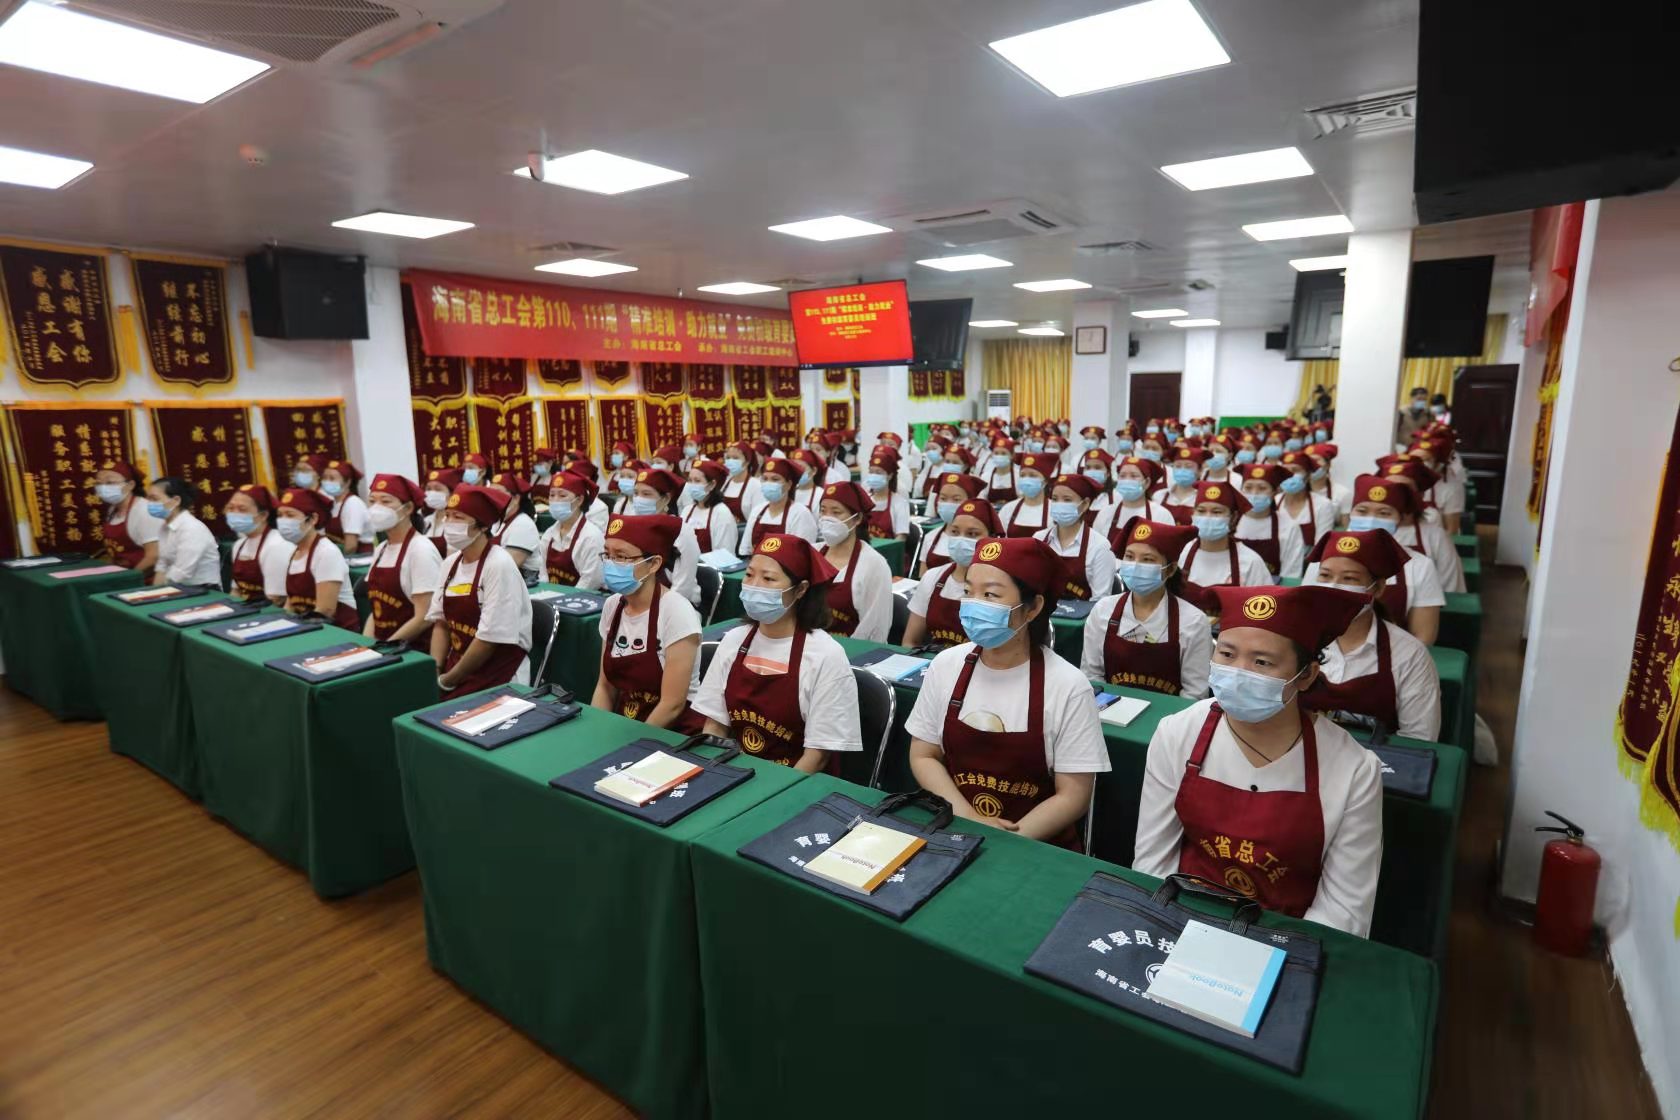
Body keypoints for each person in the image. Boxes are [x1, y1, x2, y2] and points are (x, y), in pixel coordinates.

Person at [1132, 584, 1384, 936]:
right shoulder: (1177, 733)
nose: (1238, 672)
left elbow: (1344, 912)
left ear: (1307, 675)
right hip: (1182, 920)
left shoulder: (1354, 769)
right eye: (1227, 654)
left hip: (1287, 940)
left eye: (1262, 662)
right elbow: (1152, 862)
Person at [906, 536, 1109, 845]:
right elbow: (923, 755)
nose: (974, 604)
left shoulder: (1068, 686)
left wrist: (1005, 841)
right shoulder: (946, 665)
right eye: (968, 592)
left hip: (1033, 844)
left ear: (1033, 608)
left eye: (990, 594)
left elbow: (1074, 794)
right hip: (954, 830)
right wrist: (967, 818)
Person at [693, 534, 863, 771]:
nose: (754, 585)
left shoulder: (825, 655)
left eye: (768, 579)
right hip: (736, 771)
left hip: (796, 778)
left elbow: (817, 756)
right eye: (749, 575)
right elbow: (714, 726)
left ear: (800, 589)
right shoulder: (734, 640)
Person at [1306, 530, 1443, 740]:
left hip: (1380, 757)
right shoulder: (1295, 640)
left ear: (1377, 588)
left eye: (1349, 578)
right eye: (1325, 576)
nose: (1333, 587)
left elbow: (1419, 739)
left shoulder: (1409, 655)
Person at [592, 513, 704, 731]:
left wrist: (636, 744)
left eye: (622, 557)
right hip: (625, 722)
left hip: (672, 731)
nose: (611, 564)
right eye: (607, 554)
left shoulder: (676, 612)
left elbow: (672, 705)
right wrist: (597, 729)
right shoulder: (613, 605)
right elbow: (605, 686)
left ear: (653, 564)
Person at [1081, 518, 1212, 699]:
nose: (1135, 565)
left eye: (1147, 560)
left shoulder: (1193, 622)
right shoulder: (1103, 611)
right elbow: (1092, 677)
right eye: (1129, 557)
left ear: (1170, 569)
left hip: (1171, 715)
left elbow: (1195, 693)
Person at [425, 485, 534, 699]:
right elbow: (441, 624)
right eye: (447, 516)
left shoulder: (499, 565)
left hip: (499, 675)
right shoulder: (450, 564)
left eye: (458, 517)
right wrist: (436, 670)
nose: (450, 523)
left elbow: (488, 640)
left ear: (483, 525)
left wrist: (448, 681)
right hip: (457, 669)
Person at [904, 497, 1004, 649]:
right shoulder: (932, 577)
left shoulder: (1000, 587)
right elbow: (910, 641)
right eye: (955, 532)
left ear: (992, 539)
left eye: (972, 534)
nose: (961, 540)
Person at [362, 474, 442, 646]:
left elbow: (424, 617)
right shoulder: (381, 549)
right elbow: (376, 610)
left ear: (408, 509)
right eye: (372, 501)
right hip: (383, 646)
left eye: (385, 501)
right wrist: (367, 645)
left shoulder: (421, 550)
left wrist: (386, 647)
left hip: (413, 650)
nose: (377, 508)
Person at [1363, 464, 1465, 593]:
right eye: (1389, 487)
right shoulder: (1363, 533)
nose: (1396, 493)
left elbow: (1451, 588)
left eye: (1405, 488)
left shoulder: (1436, 536)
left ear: (1420, 495)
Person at [815, 481, 894, 641]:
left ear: (857, 518)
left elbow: (875, 629)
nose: (827, 518)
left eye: (836, 512)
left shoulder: (874, 565)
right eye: (823, 511)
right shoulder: (812, 553)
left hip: (851, 650)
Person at [1177, 481, 1272, 609]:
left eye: (1217, 512)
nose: (1208, 517)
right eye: (1201, 511)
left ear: (1233, 517)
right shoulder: (1181, 552)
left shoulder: (1251, 562)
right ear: (1193, 514)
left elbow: (1264, 610)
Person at [275, 488, 359, 628]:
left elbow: (325, 610)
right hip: (305, 625)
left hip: (335, 630)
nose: (283, 521)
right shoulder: (295, 553)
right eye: (280, 515)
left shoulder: (326, 552)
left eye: (290, 515)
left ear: (313, 519)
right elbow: (290, 604)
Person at [627, 467, 704, 606]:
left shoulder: (681, 532)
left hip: (678, 606)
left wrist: (655, 611)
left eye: (646, 494)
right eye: (636, 493)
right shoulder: (634, 527)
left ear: (666, 499)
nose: (639, 499)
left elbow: (683, 588)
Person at [1035, 473, 1116, 602]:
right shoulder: (1039, 539)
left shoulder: (1100, 546)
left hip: (1084, 614)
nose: (1059, 504)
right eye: (1055, 499)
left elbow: (1100, 601)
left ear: (1084, 504)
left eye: (1067, 500)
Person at [146, 476, 221, 587]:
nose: (149, 503)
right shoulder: (165, 527)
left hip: (203, 589)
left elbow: (181, 572)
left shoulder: (192, 529)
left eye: (154, 499)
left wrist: (162, 592)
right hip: (177, 586)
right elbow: (162, 565)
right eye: (148, 499)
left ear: (176, 501)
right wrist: (155, 591)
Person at [535, 470, 605, 588]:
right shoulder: (549, 534)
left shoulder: (591, 537)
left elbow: (590, 582)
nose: (555, 500)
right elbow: (543, 576)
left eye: (562, 495)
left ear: (579, 500)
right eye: (552, 495)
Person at [1233, 463, 1303, 579]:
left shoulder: (1289, 527)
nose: (1254, 493)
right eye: (1248, 488)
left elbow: (1291, 575)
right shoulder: (1230, 522)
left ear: (1275, 491)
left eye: (1262, 488)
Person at [225, 484, 291, 604]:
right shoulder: (239, 545)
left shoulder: (277, 545)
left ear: (263, 515)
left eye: (242, 509)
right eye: (231, 508)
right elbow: (236, 591)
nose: (234, 513)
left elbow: (276, 599)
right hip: (246, 607)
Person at [912, 472, 985, 577]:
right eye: (943, 498)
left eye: (956, 499)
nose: (948, 503)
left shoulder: (976, 541)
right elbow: (922, 576)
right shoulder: (930, 537)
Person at [740, 457, 818, 554]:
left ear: (789, 484)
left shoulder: (800, 514)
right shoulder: (757, 511)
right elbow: (746, 550)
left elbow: (803, 555)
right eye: (765, 479)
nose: (768, 483)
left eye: (775, 479)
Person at [92, 461, 160, 573]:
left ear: (130, 485)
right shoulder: (112, 510)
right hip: (121, 573)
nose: (103, 487)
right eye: (99, 483)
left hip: (145, 578)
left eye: (110, 482)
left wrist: (130, 577)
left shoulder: (145, 511)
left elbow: (153, 556)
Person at [1092, 455, 1172, 537]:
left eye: (1134, 476)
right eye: (1122, 476)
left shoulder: (1161, 515)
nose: (1127, 480)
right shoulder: (1105, 513)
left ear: (1147, 482)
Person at [1277, 449, 1337, 554]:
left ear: (1308, 475)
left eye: (1295, 470)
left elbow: (1321, 546)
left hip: (1308, 561)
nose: (1289, 474)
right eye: (1284, 470)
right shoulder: (1274, 501)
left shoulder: (1323, 505)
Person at [485, 472, 542, 575]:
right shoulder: (494, 522)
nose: (493, 498)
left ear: (516, 498)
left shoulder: (523, 525)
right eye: (490, 493)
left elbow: (507, 567)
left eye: (498, 493)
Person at [681, 460, 738, 555]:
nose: (692, 485)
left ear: (712, 484)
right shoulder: (687, 510)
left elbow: (724, 555)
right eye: (690, 480)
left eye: (697, 481)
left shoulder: (721, 513)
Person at [997, 451, 1057, 538]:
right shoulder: (1008, 509)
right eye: (1022, 475)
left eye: (1032, 475)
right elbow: (1000, 540)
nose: (1026, 479)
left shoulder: (1054, 510)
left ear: (1045, 481)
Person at [320, 459, 372, 554]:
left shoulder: (352, 504)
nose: (327, 482)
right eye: (324, 478)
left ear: (348, 482)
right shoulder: (333, 505)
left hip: (359, 558)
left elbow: (351, 546)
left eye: (332, 478)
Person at [861, 449, 909, 541]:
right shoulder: (863, 501)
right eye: (871, 472)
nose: (873, 476)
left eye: (878, 473)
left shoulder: (900, 503)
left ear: (890, 475)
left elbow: (901, 537)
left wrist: (888, 547)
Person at [1155, 447, 1205, 526]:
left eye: (1188, 467)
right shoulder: (1160, 495)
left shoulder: (1204, 498)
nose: (1182, 470)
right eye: (1178, 466)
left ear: (1200, 470)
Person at [718, 441, 764, 525]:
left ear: (747, 462)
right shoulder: (725, 483)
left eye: (735, 458)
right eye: (728, 458)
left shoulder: (756, 486)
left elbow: (758, 519)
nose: (731, 461)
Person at [420, 468, 460, 554]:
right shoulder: (426, 521)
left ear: (451, 494)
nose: (431, 493)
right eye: (428, 489)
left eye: (438, 489)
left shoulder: (456, 522)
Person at [978, 436, 1018, 504]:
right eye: (996, 453)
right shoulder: (985, 477)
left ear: (1012, 455)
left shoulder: (1018, 476)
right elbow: (981, 501)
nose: (999, 456)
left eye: (1003, 453)